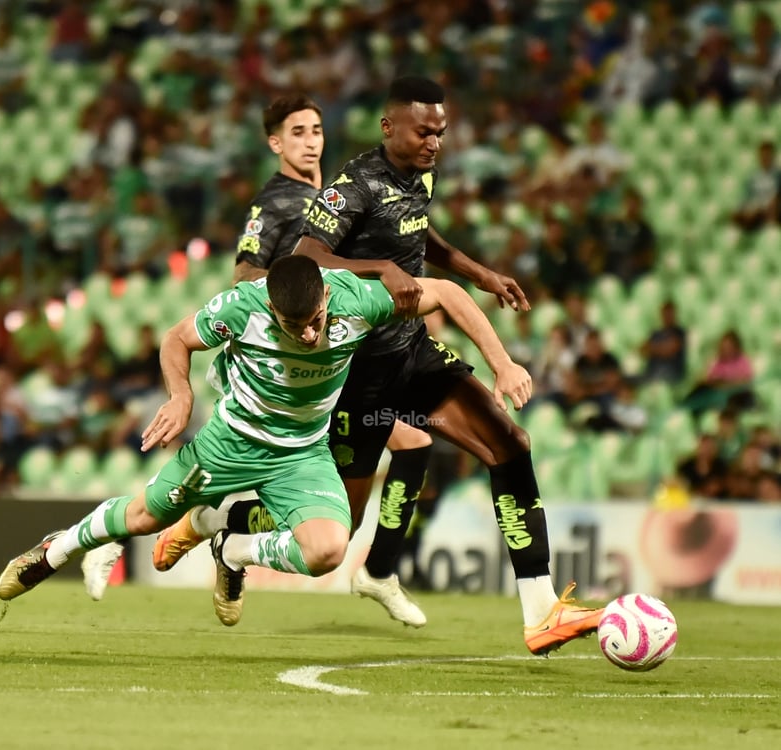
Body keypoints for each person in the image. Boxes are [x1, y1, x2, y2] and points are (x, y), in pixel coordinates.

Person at [153, 76, 604, 655]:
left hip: (410, 352)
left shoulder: (420, 174)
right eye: (423, 131)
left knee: (509, 442)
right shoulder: (351, 185)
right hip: (352, 375)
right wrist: (377, 268)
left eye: (440, 132)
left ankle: (540, 610)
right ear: (389, 127)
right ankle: (223, 529)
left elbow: (420, 235)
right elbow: (306, 256)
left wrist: (478, 272)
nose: (434, 142)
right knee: (341, 522)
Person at [0, 256, 534, 628]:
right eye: (291, 325)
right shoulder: (241, 306)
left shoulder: (359, 299)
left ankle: (232, 549)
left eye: (315, 320)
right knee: (142, 520)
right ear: (272, 307)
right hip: (229, 443)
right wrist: (180, 396)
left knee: (328, 550)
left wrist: (502, 362)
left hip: (302, 453)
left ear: (327, 294)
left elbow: (447, 292)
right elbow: (177, 338)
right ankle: (59, 547)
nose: (306, 334)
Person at [86, 93, 437, 626]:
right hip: (293, 355)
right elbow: (246, 276)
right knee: (390, 457)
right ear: (276, 143)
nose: (311, 139)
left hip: (342, 345)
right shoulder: (276, 203)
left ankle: (224, 531)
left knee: (408, 449)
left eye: (316, 128)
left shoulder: (339, 194)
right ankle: (202, 530)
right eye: (297, 132)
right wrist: (292, 299)